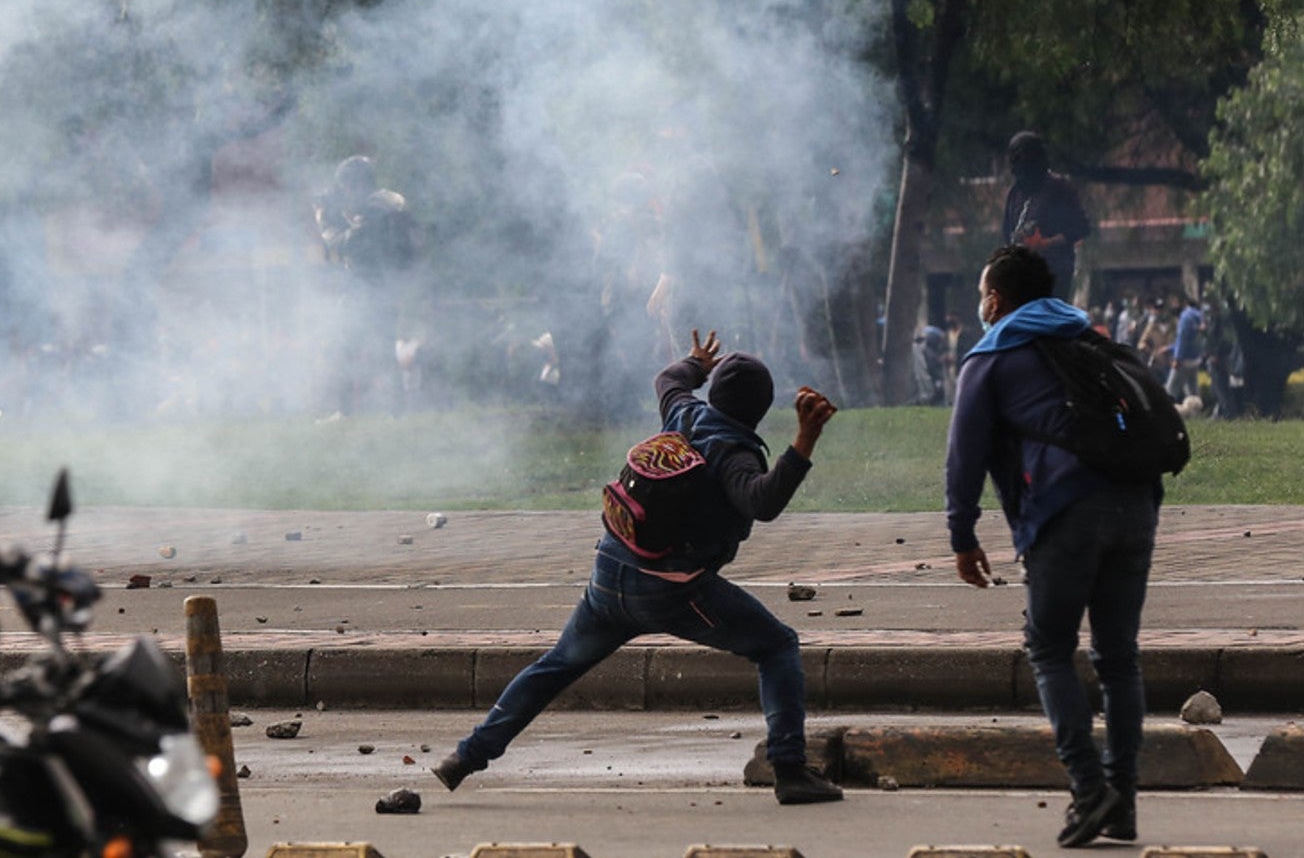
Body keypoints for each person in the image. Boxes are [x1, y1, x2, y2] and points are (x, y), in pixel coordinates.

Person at [431, 328, 843, 805]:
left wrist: (695, 363)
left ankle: (466, 756)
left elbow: (667, 378)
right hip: (673, 591)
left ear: (713, 392)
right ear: (761, 409)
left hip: (609, 573)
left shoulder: (683, 411)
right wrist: (804, 441)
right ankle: (790, 769)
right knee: (776, 645)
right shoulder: (734, 452)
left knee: (555, 666)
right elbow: (762, 502)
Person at [945, 246, 1160, 848]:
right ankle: (1122, 801)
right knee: (1119, 657)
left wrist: (962, 537)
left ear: (995, 300)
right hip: (1137, 505)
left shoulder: (990, 358)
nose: (981, 304)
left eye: (982, 294)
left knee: (1049, 648)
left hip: (1064, 513)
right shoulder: (1089, 337)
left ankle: (1089, 789)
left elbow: (963, 459)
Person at [312, 155, 422, 416]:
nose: (346, 191)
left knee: (361, 349)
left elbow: (351, 241)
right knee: (354, 349)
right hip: (370, 286)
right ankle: (383, 412)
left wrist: (333, 219)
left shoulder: (381, 204)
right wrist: (335, 215)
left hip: (374, 285)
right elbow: (346, 240)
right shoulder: (374, 207)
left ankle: (373, 412)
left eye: (348, 185)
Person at [1001, 132, 1090, 302]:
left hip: (1054, 273)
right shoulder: (1015, 193)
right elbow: (1007, 231)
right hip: (1023, 274)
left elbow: (1081, 227)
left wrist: (1046, 243)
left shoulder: (1059, 188)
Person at [1165, 295, 1205, 403]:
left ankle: (1166, 409)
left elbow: (1182, 339)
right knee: (1192, 388)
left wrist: (1177, 358)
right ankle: (1196, 409)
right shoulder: (1199, 316)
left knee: (1171, 388)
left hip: (1184, 359)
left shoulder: (1185, 317)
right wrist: (1170, 348)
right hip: (1196, 357)